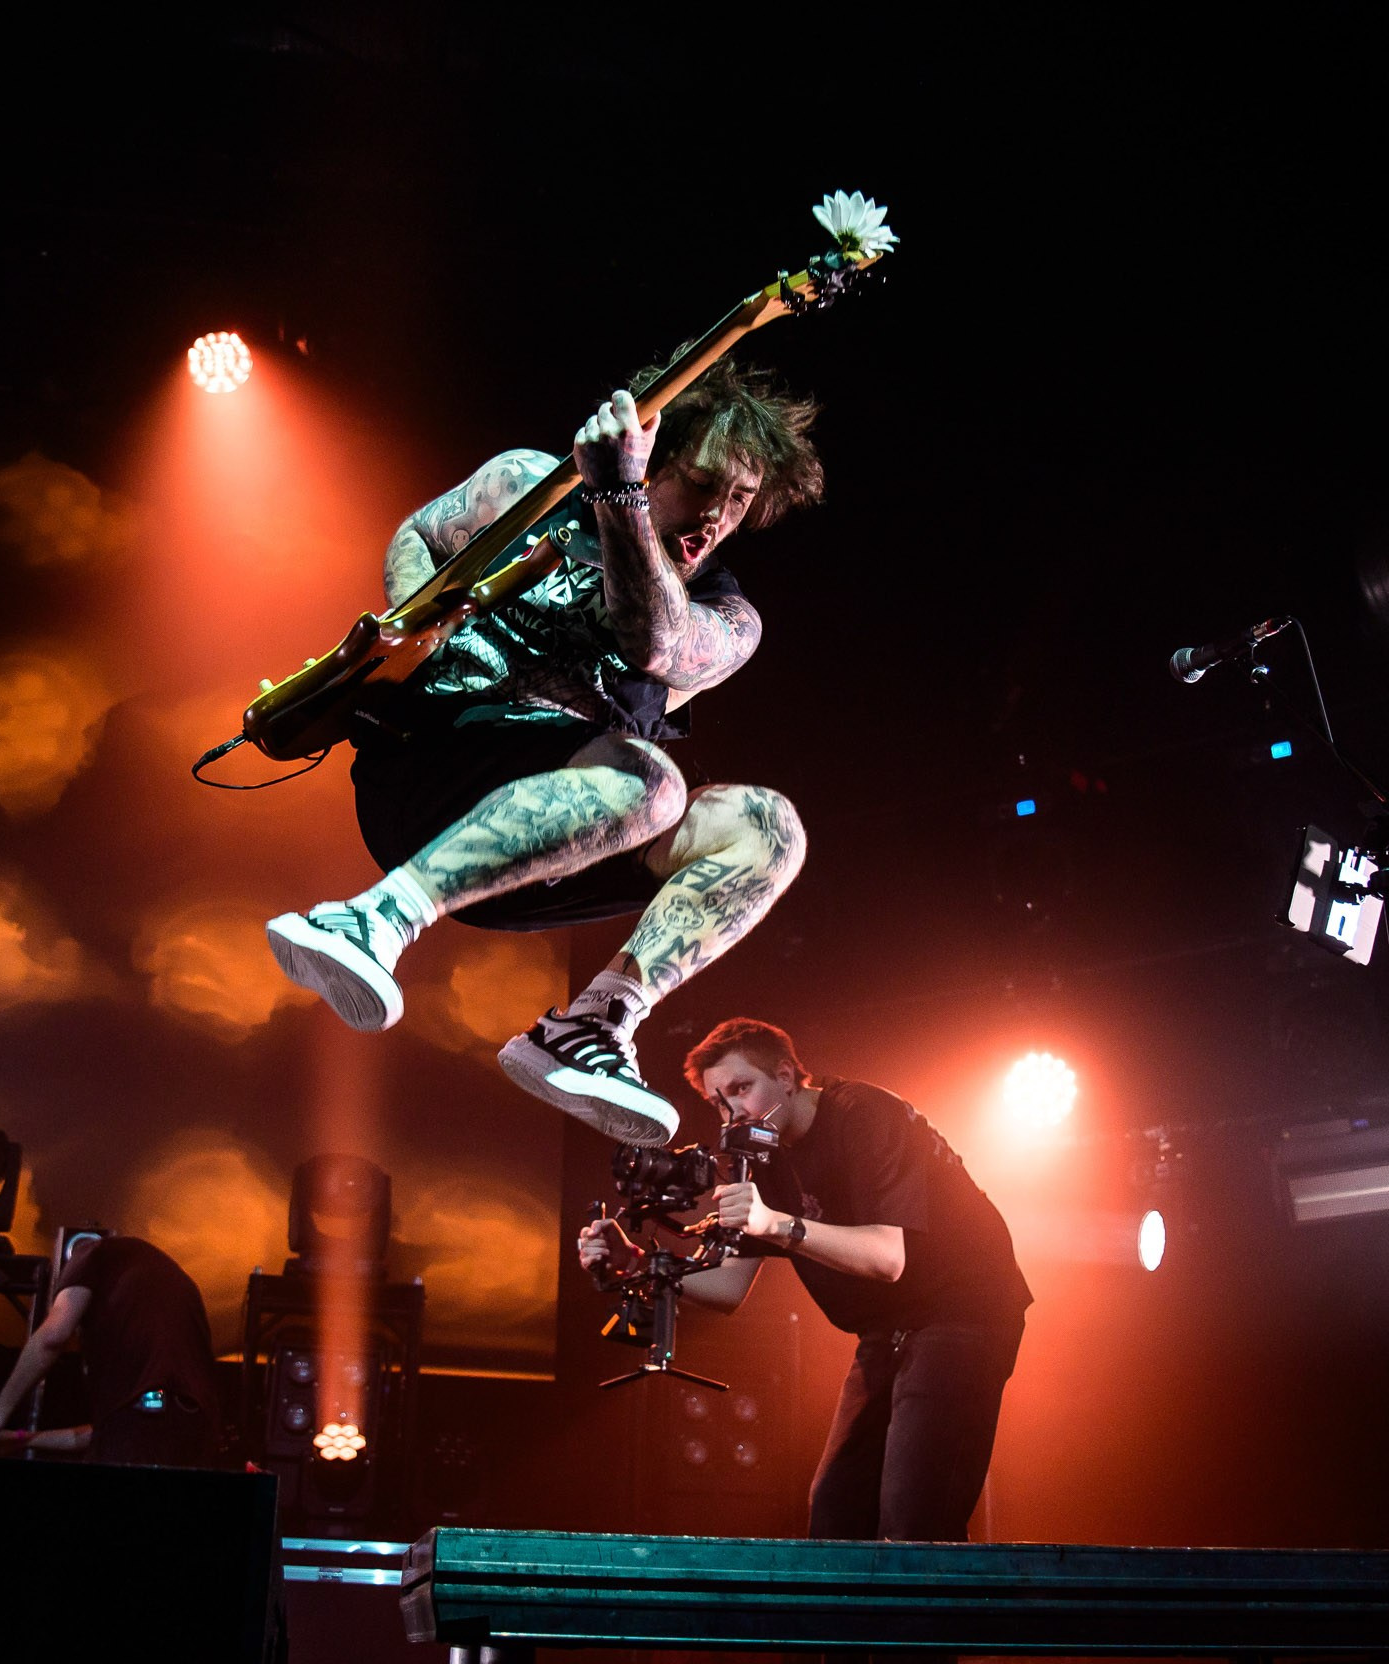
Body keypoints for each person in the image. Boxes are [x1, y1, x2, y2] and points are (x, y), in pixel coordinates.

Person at [266, 361, 824, 1146]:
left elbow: (656, 642)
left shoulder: (724, 616)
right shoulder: (529, 485)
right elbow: (421, 533)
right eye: (702, 484)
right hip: (430, 778)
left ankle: (593, 1025)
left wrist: (622, 500)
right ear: (654, 456)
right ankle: (368, 921)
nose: (716, 517)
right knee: (648, 783)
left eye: (739, 500)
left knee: (766, 827)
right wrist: (421, 631)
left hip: (553, 846)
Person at [578, 1019, 1033, 1543]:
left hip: (966, 1310)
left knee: (915, 1513)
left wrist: (774, 1223)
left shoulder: (864, 1115)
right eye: (718, 1101)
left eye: (741, 1088)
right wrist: (638, 1262)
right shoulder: (759, 1157)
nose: (732, 1112)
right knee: (835, 1510)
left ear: (786, 1076)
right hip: (887, 1330)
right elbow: (728, 1288)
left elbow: (887, 1258)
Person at [0, 1232, 222, 1468]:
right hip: (200, 1433)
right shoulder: (162, 1292)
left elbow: (52, 1337)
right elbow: (102, 1433)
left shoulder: (89, 1254)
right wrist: (22, 1439)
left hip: (143, 1426)